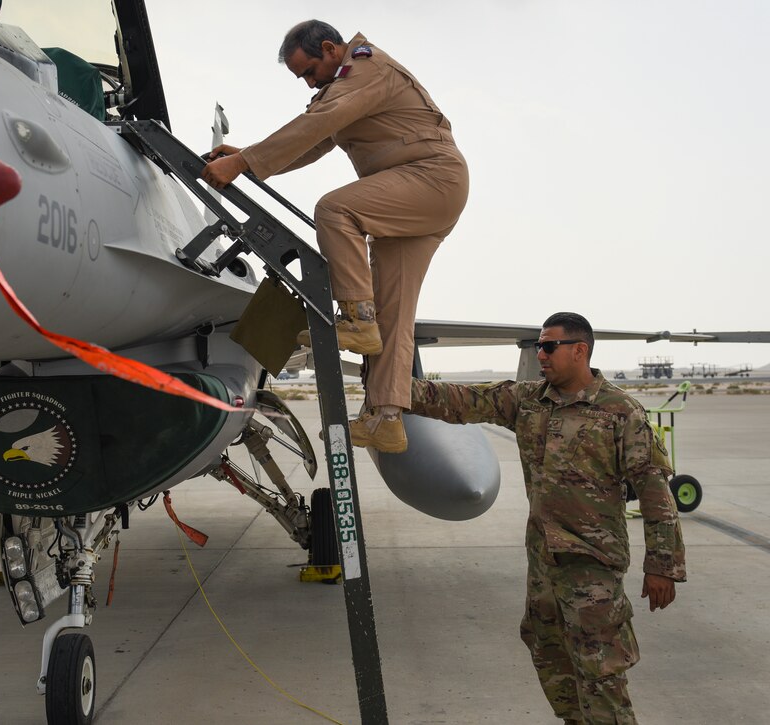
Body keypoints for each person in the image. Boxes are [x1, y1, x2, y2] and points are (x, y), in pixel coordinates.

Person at [200, 20, 468, 453]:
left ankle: (356, 318)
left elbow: (323, 120)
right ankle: (386, 418)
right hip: (420, 191)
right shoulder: (341, 88)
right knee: (394, 314)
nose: (308, 82)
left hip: (430, 179)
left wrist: (246, 162)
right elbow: (316, 139)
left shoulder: (366, 68)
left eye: (308, 71)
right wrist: (247, 157)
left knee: (334, 208)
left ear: (330, 48)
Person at [409, 312, 686, 724]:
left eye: (548, 346)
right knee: (548, 655)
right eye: (538, 346)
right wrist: (392, 384)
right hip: (543, 564)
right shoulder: (528, 400)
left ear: (580, 350)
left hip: (592, 568)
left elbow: (654, 491)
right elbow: (463, 400)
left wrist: (662, 566)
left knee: (600, 672)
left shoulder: (620, 412)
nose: (540, 354)